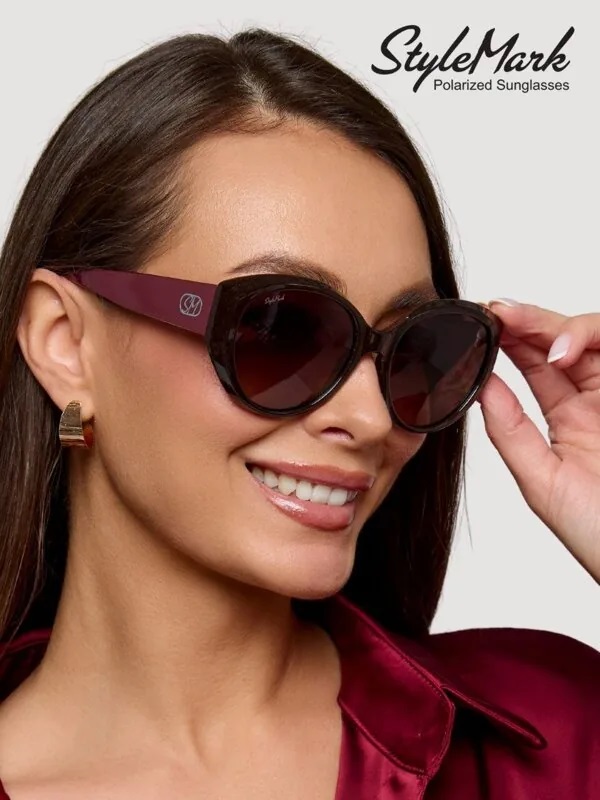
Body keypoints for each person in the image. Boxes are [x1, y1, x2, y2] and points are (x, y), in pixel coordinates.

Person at [0, 27, 597, 800]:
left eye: (412, 347)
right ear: (65, 342)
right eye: (281, 331)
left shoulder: (558, 739)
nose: (372, 418)